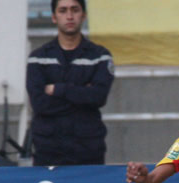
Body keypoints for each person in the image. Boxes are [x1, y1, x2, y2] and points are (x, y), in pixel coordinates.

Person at [26, 0, 114, 166]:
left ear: (84, 16)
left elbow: (98, 97)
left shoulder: (100, 56)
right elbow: (39, 104)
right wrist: (82, 94)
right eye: (63, 11)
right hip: (48, 151)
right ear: (54, 17)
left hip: (89, 150)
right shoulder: (38, 57)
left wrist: (58, 89)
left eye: (75, 10)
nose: (69, 16)